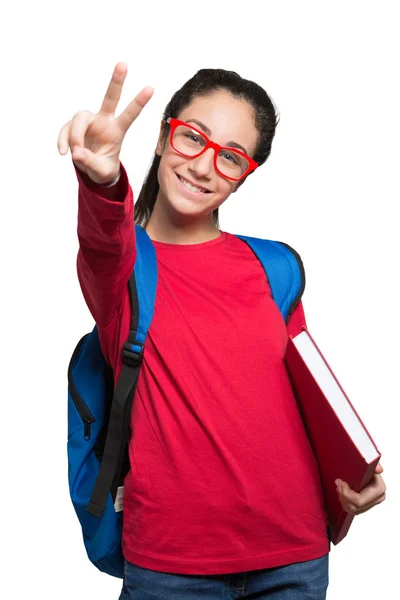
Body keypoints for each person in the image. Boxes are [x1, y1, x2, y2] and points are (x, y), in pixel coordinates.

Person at [58, 62, 386, 600]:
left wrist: (350, 472)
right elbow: (101, 239)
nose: (205, 166)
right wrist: (100, 179)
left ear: (244, 173)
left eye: (230, 156)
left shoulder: (274, 267)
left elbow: (311, 400)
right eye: (193, 138)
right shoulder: (121, 269)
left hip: (295, 559)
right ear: (165, 136)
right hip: (170, 566)